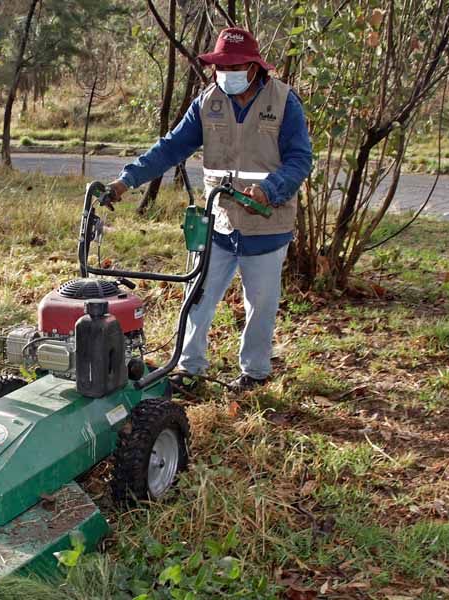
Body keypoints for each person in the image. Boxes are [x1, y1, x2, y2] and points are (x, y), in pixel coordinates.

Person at [103, 27, 312, 393]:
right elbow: (170, 148)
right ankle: (190, 369)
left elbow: (299, 159)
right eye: (220, 66)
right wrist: (126, 181)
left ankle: (255, 373)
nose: (224, 74)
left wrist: (270, 189)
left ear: (252, 67)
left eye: (232, 66)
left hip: (266, 225)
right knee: (196, 297)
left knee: (260, 306)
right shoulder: (208, 101)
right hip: (219, 222)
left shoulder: (283, 102)